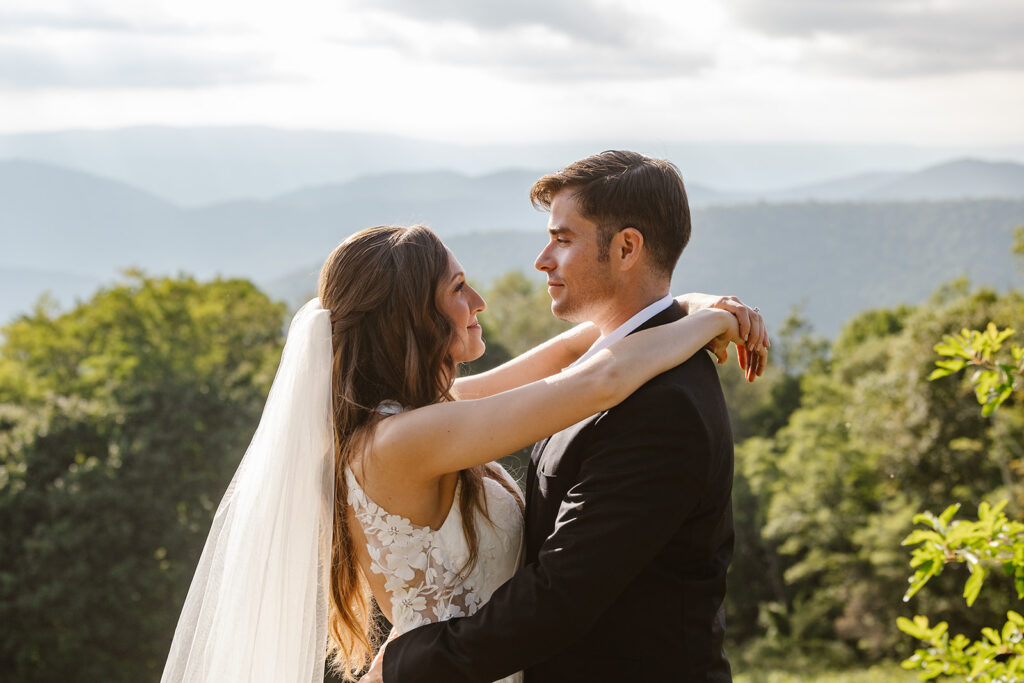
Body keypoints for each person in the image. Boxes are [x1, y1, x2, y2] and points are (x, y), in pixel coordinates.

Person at [161, 161, 765, 683]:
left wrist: (694, 304)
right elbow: (595, 380)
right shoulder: (404, 439)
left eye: (561, 238)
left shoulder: (426, 415)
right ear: (412, 318)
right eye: (457, 288)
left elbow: (569, 353)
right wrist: (713, 324)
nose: (478, 301)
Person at [362, 150, 754, 682]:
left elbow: (561, 595)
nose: (542, 260)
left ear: (626, 248)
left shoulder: (665, 405)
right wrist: (697, 311)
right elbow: (585, 368)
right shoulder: (596, 373)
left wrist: (408, 665)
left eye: (562, 239)